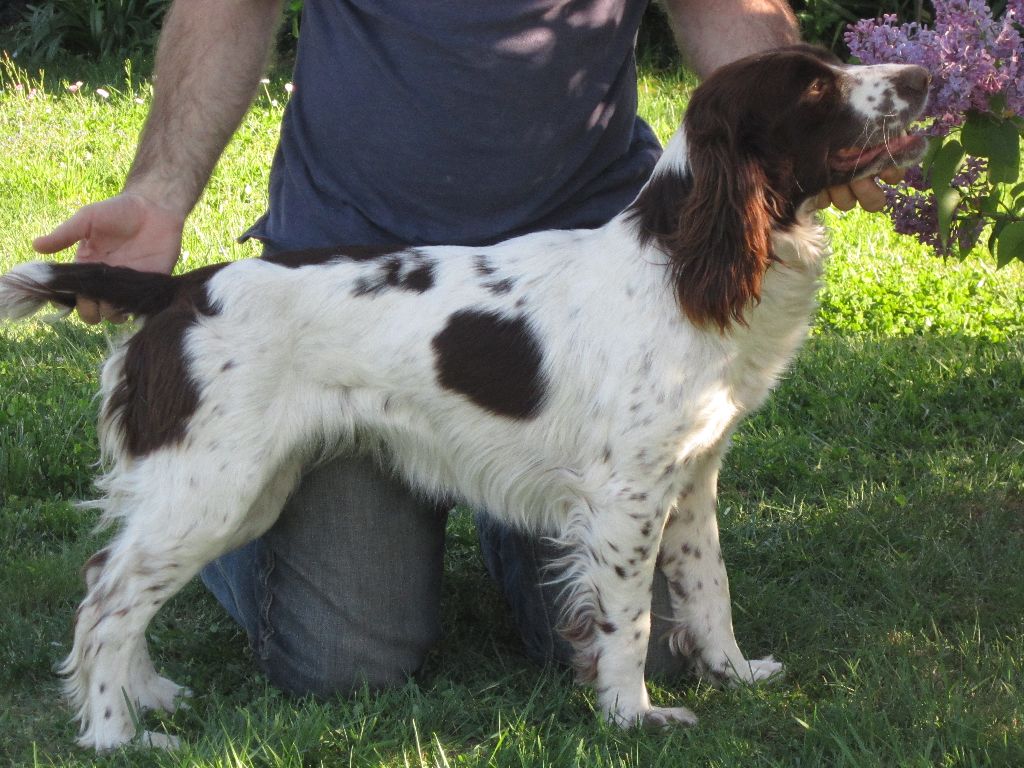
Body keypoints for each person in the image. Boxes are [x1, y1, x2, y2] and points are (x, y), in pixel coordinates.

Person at [32, 0, 901, 697]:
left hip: (577, 233)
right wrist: (157, 192)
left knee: (658, 604)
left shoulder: (655, 288)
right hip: (334, 300)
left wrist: (810, 116)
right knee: (345, 662)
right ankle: (180, 540)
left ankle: (527, 519)